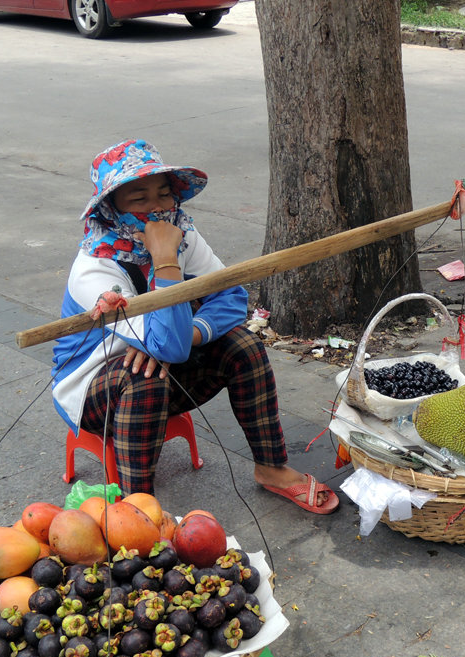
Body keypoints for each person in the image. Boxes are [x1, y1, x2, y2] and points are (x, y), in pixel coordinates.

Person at [51, 139, 339, 514]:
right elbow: (166, 347)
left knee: (243, 345)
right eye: (138, 199)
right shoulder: (94, 269)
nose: (156, 208)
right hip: (93, 387)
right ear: (111, 209)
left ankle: (271, 467)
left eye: (163, 194)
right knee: (142, 375)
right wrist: (165, 260)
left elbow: (232, 297)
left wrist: (193, 332)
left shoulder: (181, 234)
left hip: (168, 356)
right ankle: (137, 511)